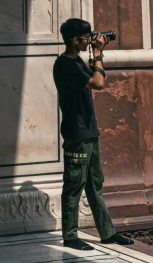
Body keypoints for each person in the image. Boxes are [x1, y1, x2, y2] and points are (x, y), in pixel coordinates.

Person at [53, 18, 134, 251]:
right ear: (74, 40)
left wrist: (96, 54)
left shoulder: (77, 61)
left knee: (94, 183)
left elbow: (97, 75)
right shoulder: (65, 65)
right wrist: (98, 52)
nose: (89, 40)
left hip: (88, 131)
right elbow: (98, 82)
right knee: (74, 184)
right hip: (76, 134)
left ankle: (107, 233)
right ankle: (70, 236)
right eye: (86, 37)